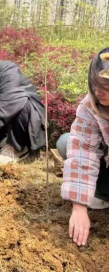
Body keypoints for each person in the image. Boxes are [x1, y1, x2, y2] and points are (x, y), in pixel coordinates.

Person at [58, 48, 109, 247]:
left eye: (106, 86)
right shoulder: (91, 105)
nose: (98, 92)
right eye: (95, 84)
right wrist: (79, 207)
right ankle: (102, 194)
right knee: (66, 142)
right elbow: (83, 150)